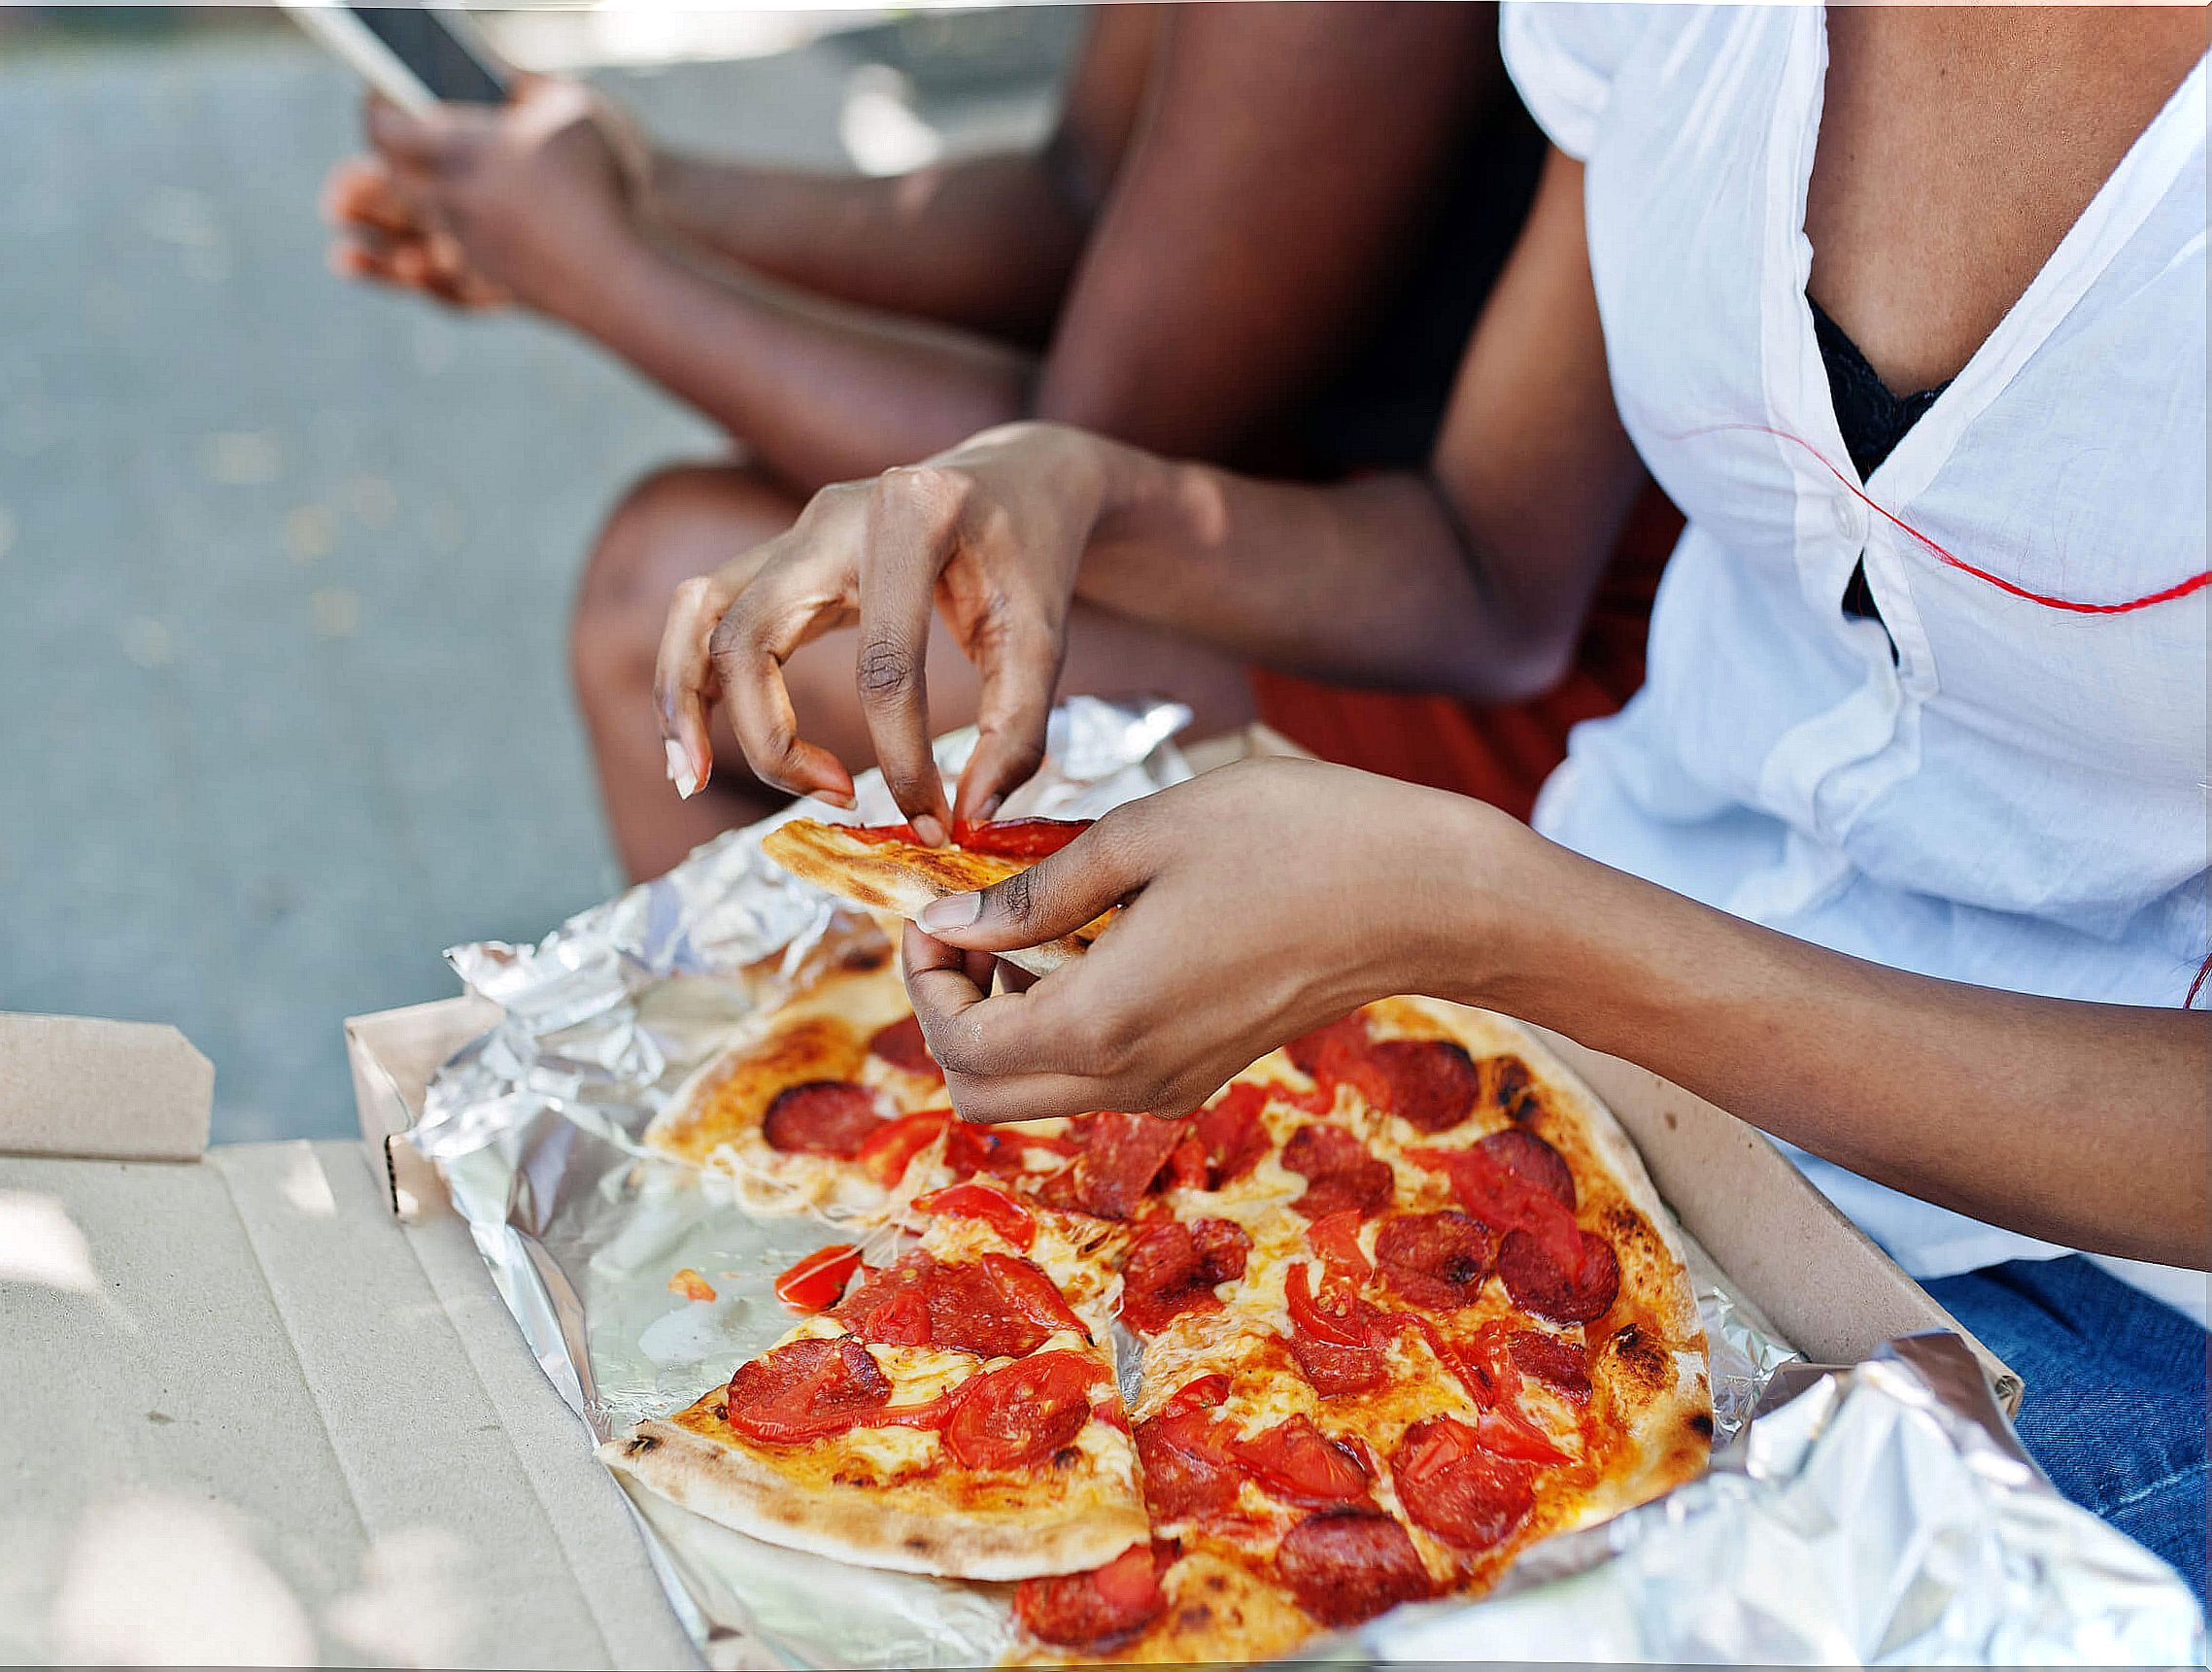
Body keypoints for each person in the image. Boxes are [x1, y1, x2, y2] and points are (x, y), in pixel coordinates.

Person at [662, 5, 2212, 1592]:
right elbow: (1488, 565)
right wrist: (1075, 489)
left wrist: (1500, 921)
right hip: (1548, 1020)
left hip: (2101, 1298)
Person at [322, 5, 1669, 879]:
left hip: (1536, 664)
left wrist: (605, 273)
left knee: (659, 595)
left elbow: (1084, 448)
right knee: (689, 576)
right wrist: (641, 196)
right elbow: (1080, 202)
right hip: (1340, 523)